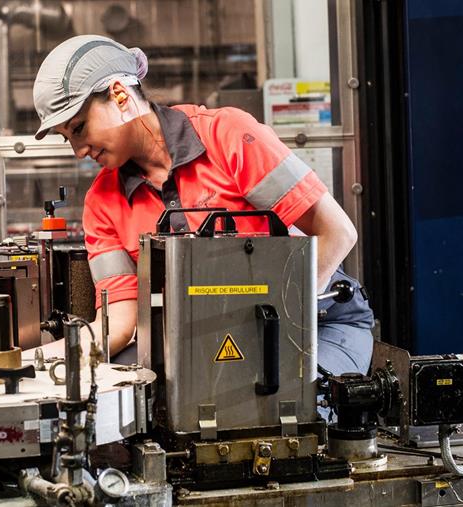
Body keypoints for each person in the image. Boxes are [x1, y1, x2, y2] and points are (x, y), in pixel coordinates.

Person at [26, 34, 374, 380]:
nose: (79, 151)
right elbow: (118, 322)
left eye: (79, 128)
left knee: (293, 396)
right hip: (208, 339)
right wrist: (26, 362)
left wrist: (273, 324)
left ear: (119, 95)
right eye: (67, 137)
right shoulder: (102, 202)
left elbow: (337, 234)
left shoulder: (229, 136)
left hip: (318, 320)